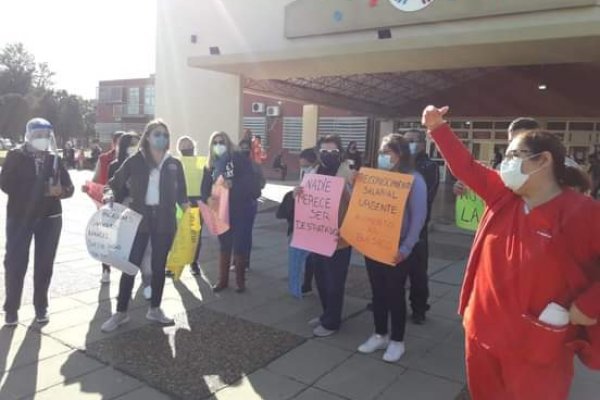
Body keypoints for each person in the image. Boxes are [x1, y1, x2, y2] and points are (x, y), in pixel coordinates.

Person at [422, 105, 600, 400]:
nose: (505, 164)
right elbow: (465, 166)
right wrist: (437, 127)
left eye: (514, 156)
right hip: (481, 332)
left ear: (544, 160)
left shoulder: (584, 212)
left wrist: (590, 305)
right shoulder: (503, 194)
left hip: (537, 345)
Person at [101, 120, 189, 332]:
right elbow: (112, 184)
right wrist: (109, 195)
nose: (162, 138)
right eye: (157, 134)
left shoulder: (173, 163)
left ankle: (155, 309)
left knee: (159, 267)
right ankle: (121, 312)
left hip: (165, 221)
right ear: (147, 137)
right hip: (139, 219)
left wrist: (188, 211)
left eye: (165, 135)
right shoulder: (135, 161)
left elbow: (182, 194)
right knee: (130, 266)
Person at [357, 133, 427, 362]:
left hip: (398, 248)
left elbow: (418, 219)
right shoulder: (376, 178)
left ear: (400, 154)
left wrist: (406, 248)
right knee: (377, 293)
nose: (382, 157)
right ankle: (380, 334)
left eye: (387, 152)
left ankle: (397, 340)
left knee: (395, 294)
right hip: (373, 245)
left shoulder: (415, 180)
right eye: (380, 153)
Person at [1, 118, 74, 326]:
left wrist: (63, 191)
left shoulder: (54, 158)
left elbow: (69, 187)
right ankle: (11, 309)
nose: (42, 140)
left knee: (44, 264)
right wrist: (39, 189)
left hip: (49, 218)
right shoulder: (16, 155)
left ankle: (41, 306)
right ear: (29, 136)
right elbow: (5, 184)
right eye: (38, 135)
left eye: (46, 136)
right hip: (20, 217)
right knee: (15, 262)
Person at [301, 135, 354, 337]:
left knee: (335, 282)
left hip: (339, 239)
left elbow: (356, 205)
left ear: (340, 153)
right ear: (318, 153)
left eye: (333, 152)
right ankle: (326, 314)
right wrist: (299, 192)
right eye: (324, 151)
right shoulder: (313, 172)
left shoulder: (347, 174)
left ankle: (332, 322)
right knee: (321, 278)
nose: (328, 155)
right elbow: (307, 199)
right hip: (317, 236)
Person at [201, 131, 260, 293]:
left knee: (240, 243)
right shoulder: (210, 164)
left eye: (221, 142)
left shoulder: (239, 158)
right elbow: (204, 187)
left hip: (240, 209)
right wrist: (207, 198)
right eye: (215, 143)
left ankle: (240, 281)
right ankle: (223, 280)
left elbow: (250, 182)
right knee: (224, 244)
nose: (218, 145)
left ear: (228, 143)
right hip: (220, 210)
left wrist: (233, 184)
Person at [403, 129, 439, 324]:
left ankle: (419, 308)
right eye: (406, 140)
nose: (409, 144)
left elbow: (428, 196)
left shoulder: (429, 166)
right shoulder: (399, 164)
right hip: (394, 226)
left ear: (422, 144)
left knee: (417, 271)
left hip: (418, 227)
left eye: (413, 141)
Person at [453, 118, 541, 196]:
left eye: (521, 141)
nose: (514, 147)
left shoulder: (549, 175)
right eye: (511, 142)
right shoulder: (504, 169)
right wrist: (468, 186)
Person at [276, 148, 319, 297]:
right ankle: (298, 287)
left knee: (310, 259)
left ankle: (306, 284)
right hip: (298, 225)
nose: (304, 169)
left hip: (312, 224)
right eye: (302, 166)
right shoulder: (304, 176)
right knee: (297, 259)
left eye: (306, 165)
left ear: (314, 164)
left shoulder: (319, 177)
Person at [86, 131, 124, 284]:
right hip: (106, 205)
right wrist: (89, 187)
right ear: (113, 144)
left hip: (126, 206)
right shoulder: (104, 159)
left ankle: (128, 271)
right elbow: (95, 180)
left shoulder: (134, 159)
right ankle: (106, 270)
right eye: (120, 142)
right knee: (106, 240)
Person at [174, 136, 203, 276]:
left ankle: (194, 263)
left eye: (188, 144)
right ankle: (177, 264)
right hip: (180, 203)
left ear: (193, 146)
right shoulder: (175, 162)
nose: (186, 147)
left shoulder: (201, 162)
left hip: (197, 202)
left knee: (195, 234)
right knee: (179, 233)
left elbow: (206, 181)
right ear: (179, 148)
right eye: (183, 145)